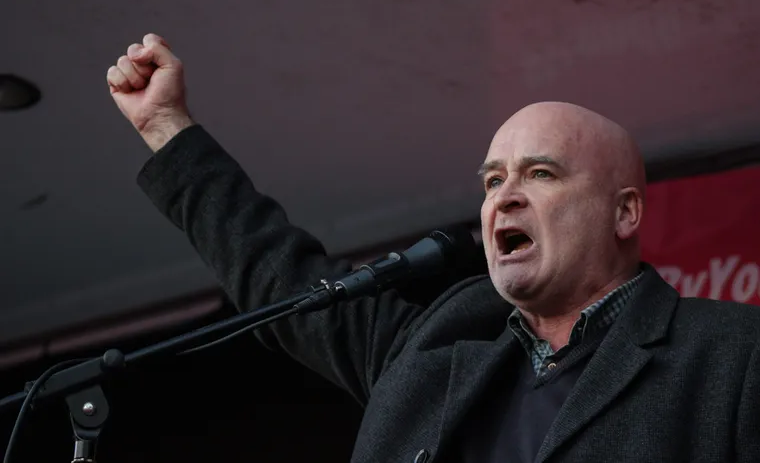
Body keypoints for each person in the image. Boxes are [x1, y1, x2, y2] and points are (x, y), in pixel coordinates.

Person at [107, 33, 760, 463]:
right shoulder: (435, 345)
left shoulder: (732, 354)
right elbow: (279, 275)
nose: (502, 196)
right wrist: (167, 127)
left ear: (625, 212)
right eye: (492, 179)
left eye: (539, 173)